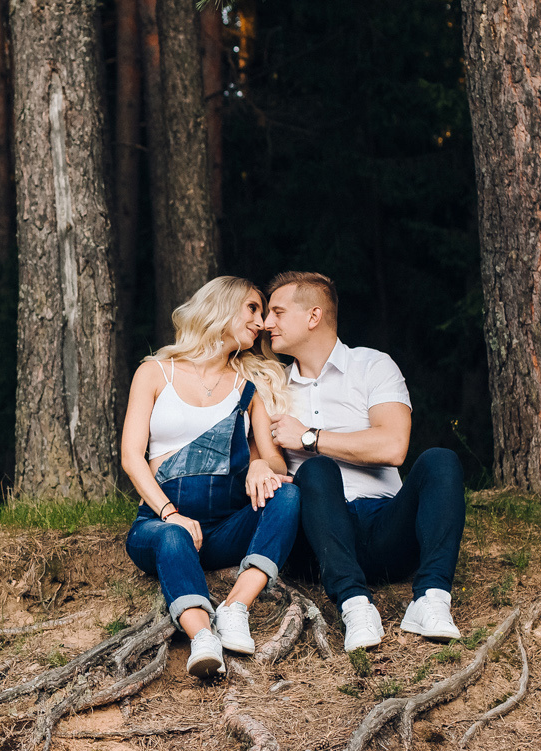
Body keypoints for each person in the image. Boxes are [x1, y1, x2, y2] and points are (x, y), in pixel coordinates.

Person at [261, 271, 465, 650]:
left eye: (278, 312)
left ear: (313, 316)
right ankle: (355, 605)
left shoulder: (373, 365)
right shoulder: (271, 386)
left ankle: (431, 599)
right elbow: (264, 462)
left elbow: (393, 446)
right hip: (318, 538)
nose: (266, 323)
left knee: (441, 460)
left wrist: (310, 438)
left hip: (386, 529)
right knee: (316, 469)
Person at [121, 277, 302, 677]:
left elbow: (276, 463)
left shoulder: (248, 388)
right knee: (174, 536)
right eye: (252, 308)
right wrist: (171, 514)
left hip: (224, 530)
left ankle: (236, 607)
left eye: (263, 313)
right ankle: (202, 637)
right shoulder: (154, 373)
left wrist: (261, 465)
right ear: (222, 306)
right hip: (159, 524)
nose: (262, 322)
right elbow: (131, 458)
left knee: (289, 496)